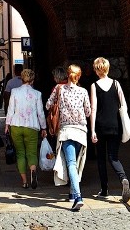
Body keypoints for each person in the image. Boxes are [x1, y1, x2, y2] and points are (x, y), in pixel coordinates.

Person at [46, 63, 91, 211]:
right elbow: (88, 112)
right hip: (80, 131)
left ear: (68, 74)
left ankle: (77, 195)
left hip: (66, 131)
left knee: (71, 163)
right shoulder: (83, 91)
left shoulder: (60, 89)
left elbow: (48, 105)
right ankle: (72, 193)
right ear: (78, 76)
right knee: (76, 163)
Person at [90, 57, 130, 203]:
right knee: (113, 157)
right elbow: (123, 105)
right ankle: (123, 178)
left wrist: (93, 129)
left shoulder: (94, 86)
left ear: (96, 70)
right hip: (115, 125)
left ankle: (104, 189)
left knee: (101, 158)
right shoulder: (116, 83)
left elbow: (93, 108)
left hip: (101, 125)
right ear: (107, 69)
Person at [5, 68, 47, 190]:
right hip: (31, 126)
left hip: (16, 125)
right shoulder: (37, 94)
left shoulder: (14, 91)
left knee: (20, 153)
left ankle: (24, 181)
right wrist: (43, 127)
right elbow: (40, 112)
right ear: (32, 80)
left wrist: (7, 125)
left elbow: (10, 109)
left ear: (22, 79)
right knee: (32, 152)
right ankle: (33, 172)